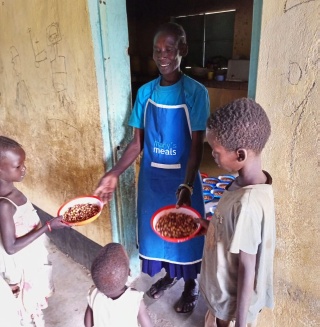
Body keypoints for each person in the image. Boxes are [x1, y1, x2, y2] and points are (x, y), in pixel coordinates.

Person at [94, 22, 210, 313]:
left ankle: (190, 284)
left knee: (185, 238)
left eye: (169, 49)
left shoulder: (195, 93)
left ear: (182, 50)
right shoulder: (145, 93)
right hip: (152, 181)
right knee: (158, 237)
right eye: (157, 50)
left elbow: (196, 147)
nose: (162, 56)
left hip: (183, 181)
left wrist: (187, 186)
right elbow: (137, 145)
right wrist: (113, 173)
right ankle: (170, 276)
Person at [197, 98, 276, 327]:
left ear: (240, 155)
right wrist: (210, 227)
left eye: (215, 152)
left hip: (231, 306)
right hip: (222, 293)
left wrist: (239, 324)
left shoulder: (249, 203)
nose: (212, 156)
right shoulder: (245, 182)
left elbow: (246, 267)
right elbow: (235, 231)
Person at [0, 135, 70, 327]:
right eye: (17, 166)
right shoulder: (5, 205)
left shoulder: (13, 192)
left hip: (32, 257)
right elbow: (11, 248)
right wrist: (48, 227)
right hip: (21, 266)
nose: (24, 169)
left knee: (35, 305)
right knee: (25, 307)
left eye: (23, 163)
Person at [84, 242, 153, 327]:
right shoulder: (134, 297)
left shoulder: (94, 293)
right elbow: (147, 325)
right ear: (129, 272)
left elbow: (88, 324)